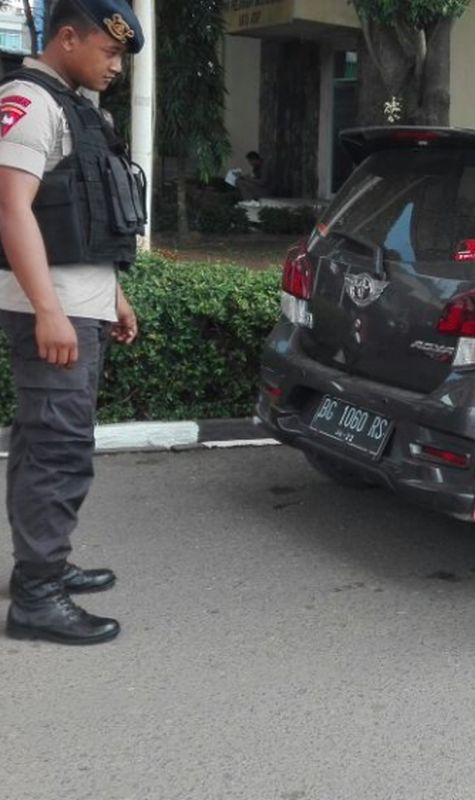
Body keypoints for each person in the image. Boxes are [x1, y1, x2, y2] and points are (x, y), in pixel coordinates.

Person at [0, 0, 146, 645]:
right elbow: (13, 210)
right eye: (108, 52)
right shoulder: (30, 102)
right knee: (58, 451)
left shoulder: (75, 106)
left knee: (43, 442)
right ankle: (37, 597)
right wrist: (51, 312)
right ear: (66, 37)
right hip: (50, 307)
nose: (115, 66)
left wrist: (111, 295)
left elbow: (85, 217)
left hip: (78, 300)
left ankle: (43, 566)